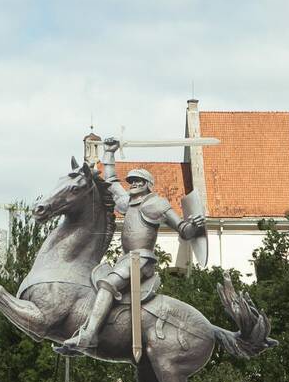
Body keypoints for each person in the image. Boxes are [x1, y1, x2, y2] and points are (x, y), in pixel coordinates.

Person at [55, 137, 205, 355]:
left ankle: (88, 335)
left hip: (142, 259)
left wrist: (194, 225)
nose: (133, 184)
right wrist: (109, 152)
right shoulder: (127, 203)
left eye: (137, 181)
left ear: (146, 184)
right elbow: (112, 182)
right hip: (126, 259)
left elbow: (182, 229)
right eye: (132, 181)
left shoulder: (157, 204)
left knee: (108, 284)